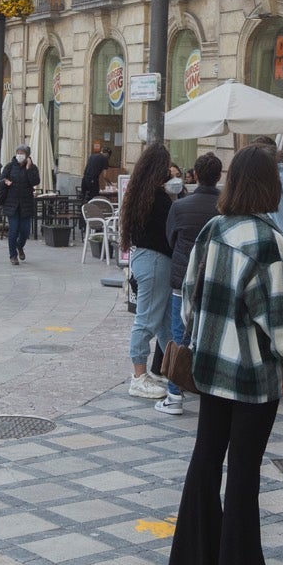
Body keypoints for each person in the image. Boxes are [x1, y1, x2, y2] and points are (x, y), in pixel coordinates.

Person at [166, 144, 283, 565]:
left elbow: (187, 295)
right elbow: (279, 318)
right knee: (243, 469)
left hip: (208, 364)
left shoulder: (212, 229)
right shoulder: (268, 241)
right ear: (269, 185)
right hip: (249, 374)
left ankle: (194, 563)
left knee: (206, 457)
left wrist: (203, 335)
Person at [162, 152, 223, 417]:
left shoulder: (180, 206)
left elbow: (170, 240)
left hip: (183, 280)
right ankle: (210, 389)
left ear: (195, 175)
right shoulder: (226, 206)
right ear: (219, 176)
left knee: (180, 334)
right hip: (216, 280)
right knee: (211, 335)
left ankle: (175, 395)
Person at [119, 143, 173, 397]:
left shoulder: (138, 194)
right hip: (155, 260)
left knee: (162, 321)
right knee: (148, 319)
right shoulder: (159, 199)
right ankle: (138, 376)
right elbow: (169, 233)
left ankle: (173, 371)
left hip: (142, 257)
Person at [0, 143, 40, 264]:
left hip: (26, 204)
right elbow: (0, 179)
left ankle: (19, 246)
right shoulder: (10, 166)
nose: (19, 155)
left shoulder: (33, 168)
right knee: (13, 229)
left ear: (27, 155)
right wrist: (5, 181)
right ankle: (13, 255)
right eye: (18, 153)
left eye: (22, 153)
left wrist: (28, 168)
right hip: (12, 203)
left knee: (25, 230)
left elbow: (35, 181)